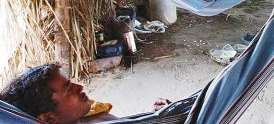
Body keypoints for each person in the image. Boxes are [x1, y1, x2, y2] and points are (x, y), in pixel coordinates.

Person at [0, 64, 172, 123]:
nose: (80, 87)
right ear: (49, 118)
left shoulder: (89, 114)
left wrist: (151, 115)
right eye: (69, 89)